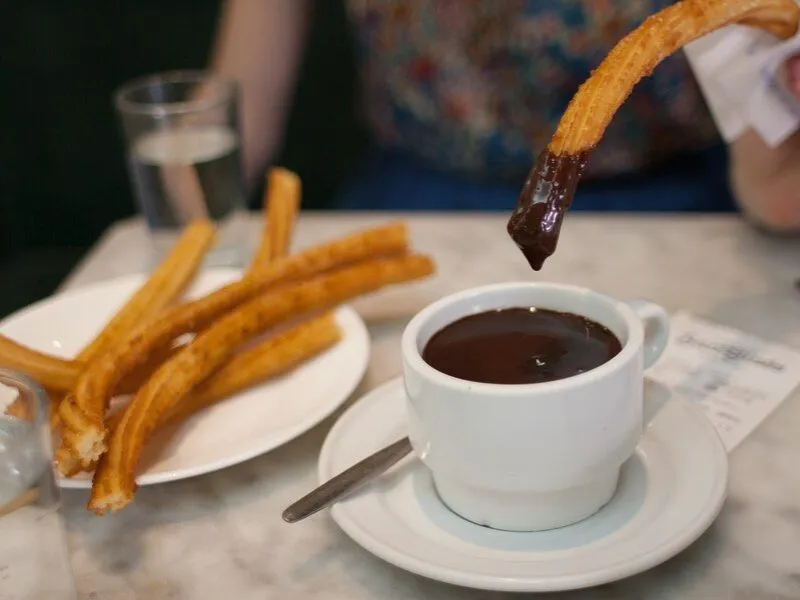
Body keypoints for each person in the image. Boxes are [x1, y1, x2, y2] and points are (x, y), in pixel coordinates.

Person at [209, 0, 800, 231]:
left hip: (669, 205)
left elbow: (773, 190)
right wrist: (180, 241)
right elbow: (237, 116)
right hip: (419, 207)